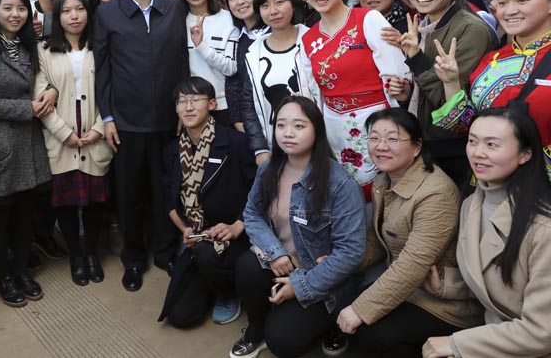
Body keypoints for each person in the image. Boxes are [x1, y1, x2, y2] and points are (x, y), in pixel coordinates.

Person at [335, 109, 482, 357]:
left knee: (369, 332)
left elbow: (413, 264)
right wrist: (341, 263)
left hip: (443, 300)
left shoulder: (435, 193)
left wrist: (361, 309)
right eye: (374, 138)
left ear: (416, 147)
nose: (381, 146)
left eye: (393, 139)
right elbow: (377, 239)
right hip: (410, 289)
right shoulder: (385, 180)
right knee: (341, 305)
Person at [231, 96, 366, 358]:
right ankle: (256, 328)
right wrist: (275, 253)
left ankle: (332, 320)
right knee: (246, 266)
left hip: (320, 274)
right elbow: (252, 214)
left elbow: (350, 253)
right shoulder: (268, 169)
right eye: (281, 125)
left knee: (283, 341)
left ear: (317, 130)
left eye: (299, 126)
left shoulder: (340, 184)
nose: (288, 133)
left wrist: (301, 285)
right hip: (283, 261)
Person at [93, 0, 189, 292]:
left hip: (167, 119)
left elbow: (182, 63)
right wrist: (107, 116)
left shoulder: (173, 9)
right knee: (129, 193)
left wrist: (183, 108)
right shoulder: (107, 13)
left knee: (166, 191)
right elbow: (102, 68)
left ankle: (164, 251)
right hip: (126, 122)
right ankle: (133, 258)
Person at [423, 106, 551, 358]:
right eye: (472, 141)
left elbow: (542, 331)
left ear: (525, 154)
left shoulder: (543, 227)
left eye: (492, 144)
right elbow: (491, 280)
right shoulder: (472, 204)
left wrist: (457, 345)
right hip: (495, 336)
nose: (478, 152)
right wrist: (446, 284)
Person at [382, 0, 497, 184]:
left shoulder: (472, 30)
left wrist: (416, 58)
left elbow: (452, 101)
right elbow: (428, 91)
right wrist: (407, 95)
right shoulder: (422, 25)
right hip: (425, 143)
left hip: (454, 150)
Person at [299, 0, 409, 190]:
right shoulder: (307, 38)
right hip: (333, 127)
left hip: (376, 121)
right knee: (345, 191)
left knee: (382, 187)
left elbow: (397, 75)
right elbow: (313, 93)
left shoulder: (368, 19)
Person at [0, 0, 52, 306]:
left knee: (25, 213)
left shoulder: (30, 46)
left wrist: (51, 92)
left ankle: (21, 270)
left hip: (29, 142)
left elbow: (46, 80)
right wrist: (26, 109)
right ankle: (2, 275)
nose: (15, 14)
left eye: (21, 8)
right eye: (7, 8)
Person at [432, 0, 551, 175]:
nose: (509, 11)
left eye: (522, 1)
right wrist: (451, 82)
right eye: (503, 3)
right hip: (491, 183)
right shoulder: (491, 60)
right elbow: (466, 125)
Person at [159, 77, 256, 327]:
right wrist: (184, 229)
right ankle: (212, 280)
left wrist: (237, 225)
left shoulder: (235, 142)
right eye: (182, 101)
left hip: (236, 236)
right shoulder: (173, 151)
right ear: (176, 109)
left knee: (207, 253)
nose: (188, 107)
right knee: (181, 316)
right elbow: (170, 201)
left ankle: (229, 292)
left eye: (196, 100)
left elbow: (259, 193)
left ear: (212, 104)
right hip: (198, 238)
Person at [35, 0, 112, 287]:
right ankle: (75, 257)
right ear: (57, 15)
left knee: (94, 203)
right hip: (62, 140)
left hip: (95, 136)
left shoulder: (100, 45)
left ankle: (91, 253)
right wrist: (63, 133)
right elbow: (40, 95)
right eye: (66, 11)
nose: (74, 16)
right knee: (65, 204)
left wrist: (99, 128)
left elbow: (112, 88)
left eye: (79, 9)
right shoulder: (44, 49)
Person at [241, 0, 309, 164]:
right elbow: (248, 103)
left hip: (316, 142)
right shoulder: (254, 52)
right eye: (265, 5)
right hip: (275, 147)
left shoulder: (312, 41)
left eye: (279, 2)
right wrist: (260, 148)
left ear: (293, 4)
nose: (273, 11)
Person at [180, 0, 238, 126]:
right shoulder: (176, 20)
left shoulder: (228, 19)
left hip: (221, 106)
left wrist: (202, 46)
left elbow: (231, 67)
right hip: (187, 108)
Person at [224, 0, 266, 131]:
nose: (240, 2)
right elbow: (234, 82)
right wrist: (237, 120)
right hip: (249, 122)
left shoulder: (274, 32)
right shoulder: (236, 38)